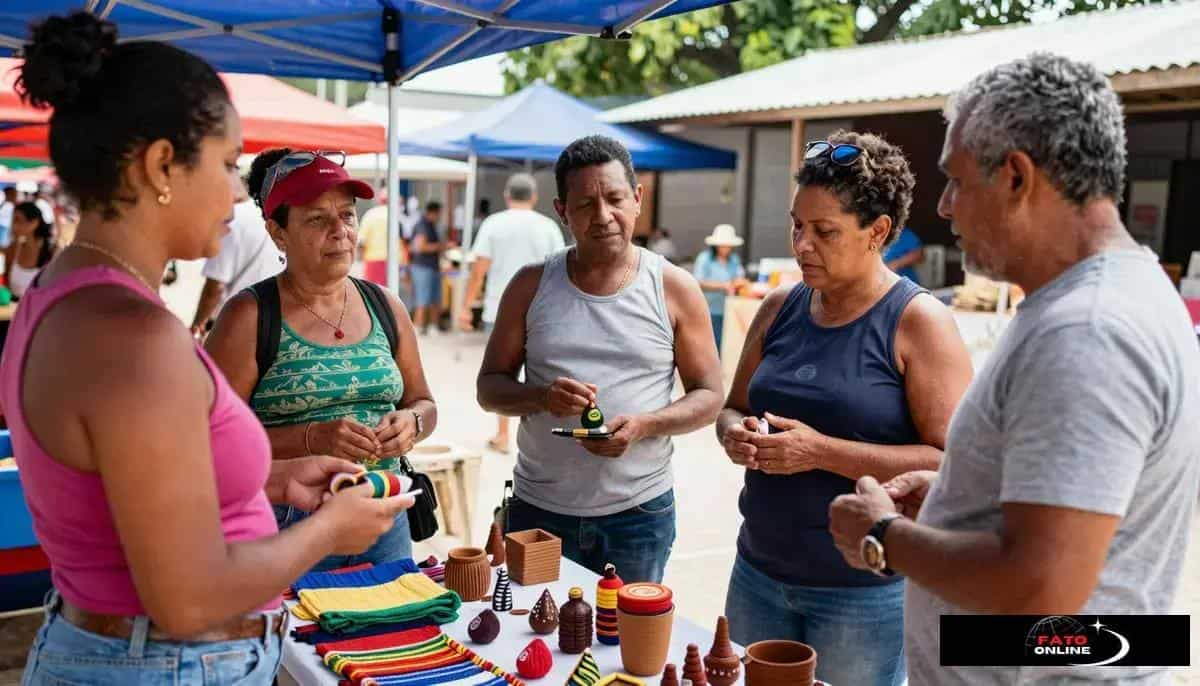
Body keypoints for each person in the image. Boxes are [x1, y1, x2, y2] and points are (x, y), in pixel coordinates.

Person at [3, 13, 414, 685]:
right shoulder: (133, 335)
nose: (235, 193)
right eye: (227, 165)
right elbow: (188, 596)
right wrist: (330, 531)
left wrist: (277, 481)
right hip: (164, 662)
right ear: (162, 165)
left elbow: (134, 486)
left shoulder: (67, 293)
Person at [829, 54, 1200, 685]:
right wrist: (954, 501)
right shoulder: (1116, 296)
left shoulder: (1088, 331)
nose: (944, 207)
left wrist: (883, 535)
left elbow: (1043, 587)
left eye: (956, 180)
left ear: (1016, 177)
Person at [715, 131, 973, 686]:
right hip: (757, 571)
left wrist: (820, 453)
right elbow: (732, 407)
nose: (802, 245)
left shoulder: (918, 322)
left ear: (877, 232)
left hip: (863, 595)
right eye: (797, 226)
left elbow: (951, 463)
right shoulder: (781, 306)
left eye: (824, 231)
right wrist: (735, 434)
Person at [477, 135, 724, 583]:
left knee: (626, 646)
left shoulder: (674, 288)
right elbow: (489, 387)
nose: (603, 216)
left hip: (639, 513)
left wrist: (646, 425)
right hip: (539, 511)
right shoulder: (530, 285)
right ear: (561, 211)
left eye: (614, 198)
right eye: (586, 204)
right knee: (533, 645)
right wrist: (541, 396)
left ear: (637, 198)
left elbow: (709, 396)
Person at [205, 148, 438, 573]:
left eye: (347, 215)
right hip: (287, 525)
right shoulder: (249, 317)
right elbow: (210, 445)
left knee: (394, 634)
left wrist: (412, 424)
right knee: (298, 639)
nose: (340, 231)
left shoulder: (385, 305)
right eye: (317, 219)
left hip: (384, 513)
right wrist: (312, 437)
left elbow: (423, 401)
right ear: (278, 233)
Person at [459, 173, 565, 454]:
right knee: (541, 370)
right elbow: (560, 270)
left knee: (502, 373)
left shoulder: (493, 224)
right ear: (533, 197)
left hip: (499, 308)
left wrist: (467, 306)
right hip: (542, 309)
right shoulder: (548, 227)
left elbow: (479, 268)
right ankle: (540, 436)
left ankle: (503, 434)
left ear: (507, 195)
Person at [190, 179, 282, 338]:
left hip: (233, 324)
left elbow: (215, 287)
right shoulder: (282, 217)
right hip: (275, 322)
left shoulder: (233, 218)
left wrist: (197, 329)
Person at [691, 224, 748, 350]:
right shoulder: (705, 259)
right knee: (710, 346)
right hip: (709, 309)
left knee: (725, 346)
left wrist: (739, 282)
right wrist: (723, 286)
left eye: (728, 245)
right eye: (723, 244)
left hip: (728, 309)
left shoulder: (734, 259)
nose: (726, 248)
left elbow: (740, 277)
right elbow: (698, 281)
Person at [409, 200, 448, 334]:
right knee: (423, 299)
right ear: (433, 212)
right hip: (423, 267)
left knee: (434, 299)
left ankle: (433, 326)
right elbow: (421, 247)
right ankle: (418, 327)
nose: (439, 217)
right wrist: (442, 246)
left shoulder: (430, 225)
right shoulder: (422, 225)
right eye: (439, 214)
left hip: (432, 267)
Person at [4, 202, 56, 299]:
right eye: (13, 220)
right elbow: (6, 283)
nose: (13, 226)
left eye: (18, 220)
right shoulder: (13, 248)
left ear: (34, 223)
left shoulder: (52, 251)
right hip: (14, 310)